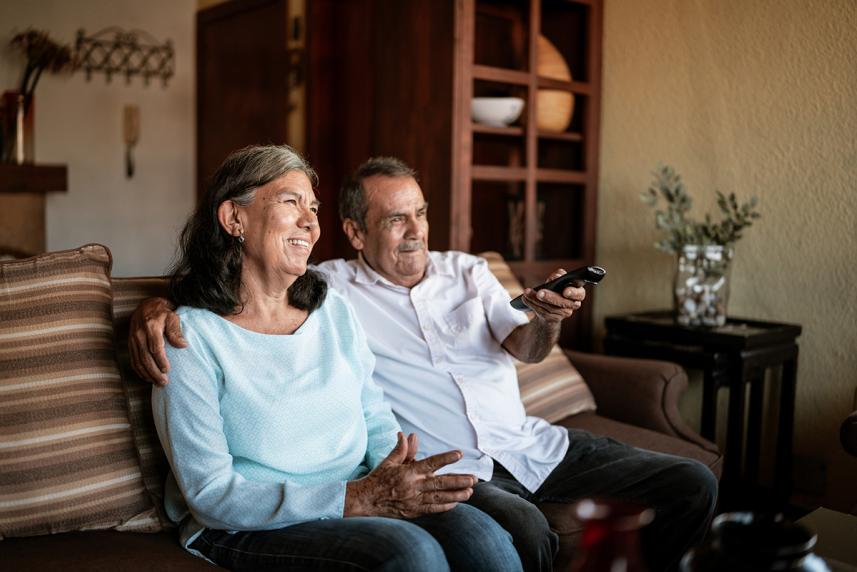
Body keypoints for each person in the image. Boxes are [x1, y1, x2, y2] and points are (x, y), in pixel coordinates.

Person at [133, 156, 718, 572]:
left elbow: (384, 412)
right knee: (452, 546)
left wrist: (547, 317)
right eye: (292, 204)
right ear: (356, 233)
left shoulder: (360, 298)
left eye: (420, 214)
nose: (415, 232)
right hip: (308, 504)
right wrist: (154, 307)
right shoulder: (314, 293)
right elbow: (211, 489)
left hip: (517, 445)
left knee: (685, 484)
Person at [149, 145, 523, 572]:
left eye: (313, 207)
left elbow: (374, 414)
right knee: (410, 553)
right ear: (235, 218)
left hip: (357, 490)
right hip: (243, 525)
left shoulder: (332, 310)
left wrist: (398, 478)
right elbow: (211, 494)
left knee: (484, 538)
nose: (310, 222)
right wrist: (355, 498)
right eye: (291, 202)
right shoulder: (189, 338)